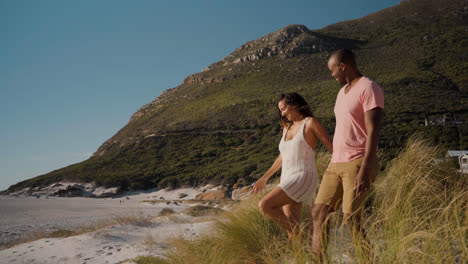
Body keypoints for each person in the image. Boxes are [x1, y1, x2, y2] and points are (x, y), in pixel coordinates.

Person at [311, 49, 384, 261]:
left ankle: (368, 260)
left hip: (359, 161)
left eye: (332, 70)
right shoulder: (341, 93)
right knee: (318, 213)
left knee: (351, 219)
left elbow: (373, 131)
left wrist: (366, 168)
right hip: (336, 163)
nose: (332, 75)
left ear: (342, 66)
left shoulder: (369, 88)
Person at [252, 92, 333, 242]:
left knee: (265, 205)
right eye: (280, 110)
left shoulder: (310, 123)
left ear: (295, 105)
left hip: (303, 176)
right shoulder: (286, 128)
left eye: (284, 109)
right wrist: (264, 178)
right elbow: (282, 157)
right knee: (291, 228)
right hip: (287, 177)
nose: (282, 113)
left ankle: (307, 236)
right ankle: (303, 255)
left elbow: (331, 147)